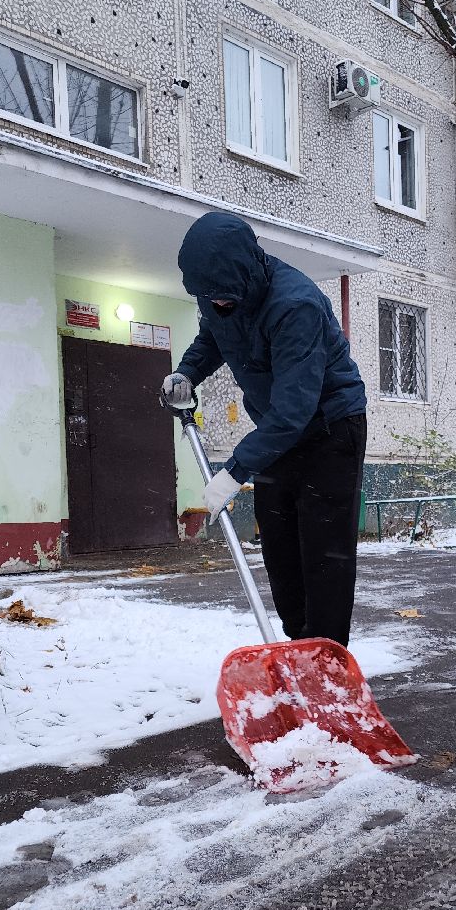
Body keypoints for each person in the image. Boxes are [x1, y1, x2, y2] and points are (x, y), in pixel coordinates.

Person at [161, 211, 368, 648]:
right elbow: (214, 337)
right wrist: (186, 373)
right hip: (277, 432)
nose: (217, 305)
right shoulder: (219, 294)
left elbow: (295, 408)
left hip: (329, 430)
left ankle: (326, 659)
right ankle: (299, 646)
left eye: (224, 298)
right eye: (209, 298)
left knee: (323, 554)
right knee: (279, 549)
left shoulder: (295, 305)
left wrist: (235, 470)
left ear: (249, 273)